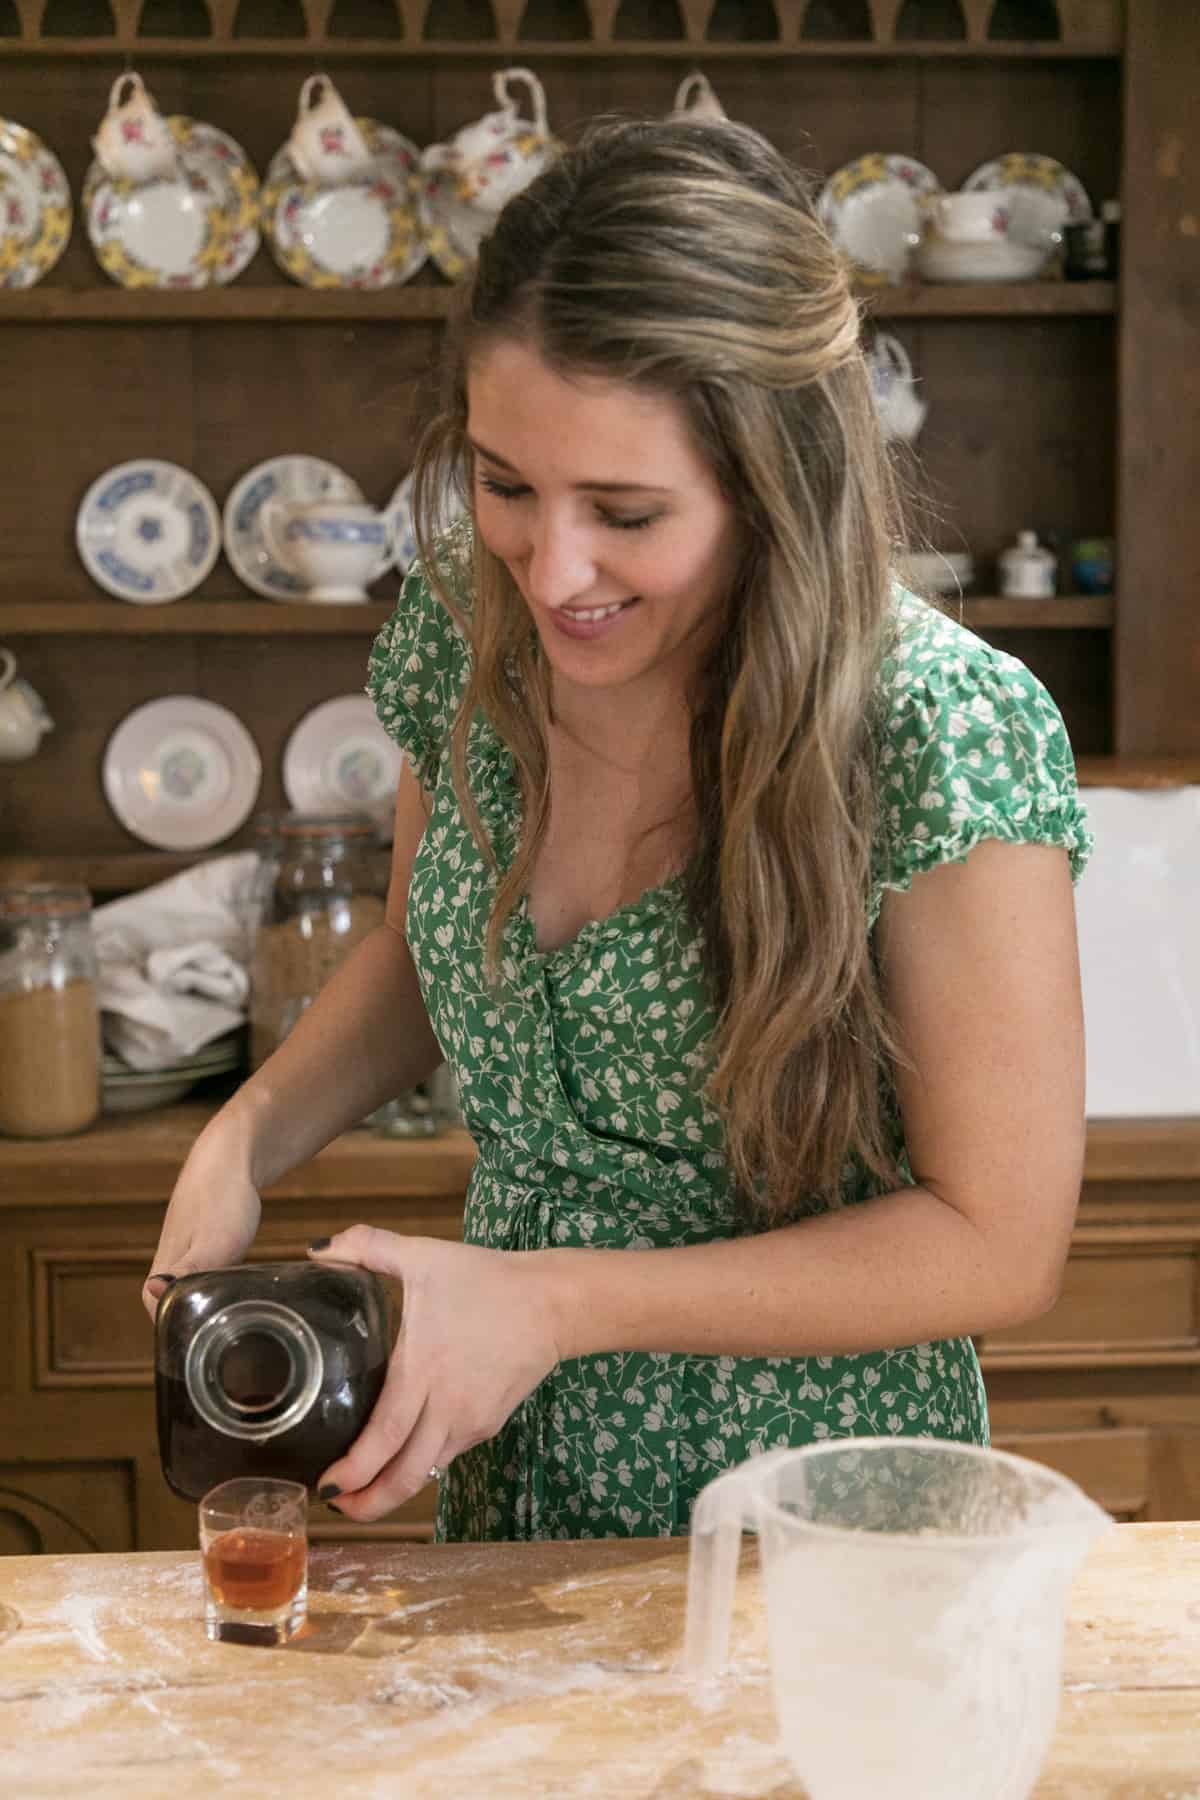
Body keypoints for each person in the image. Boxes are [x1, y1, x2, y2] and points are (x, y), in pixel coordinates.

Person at [143, 118, 1091, 1543]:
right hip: (526, 1482)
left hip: (819, 1529)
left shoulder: (933, 733)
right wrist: (244, 1139)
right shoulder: (473, 642)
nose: (553, 568)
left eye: (627, 512)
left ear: (775, 488)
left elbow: (999, 1244)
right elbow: (420, 956)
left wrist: (550, 1302)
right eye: (508, 485)